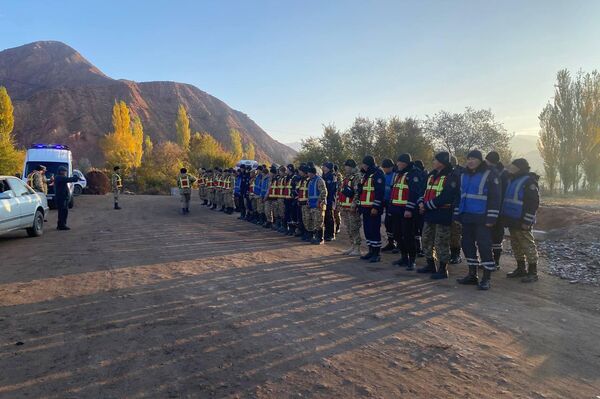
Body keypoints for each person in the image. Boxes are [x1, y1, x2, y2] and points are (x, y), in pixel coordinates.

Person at [455, 150, 501, 290]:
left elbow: (495, 198)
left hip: (483, 218)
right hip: (467, 216)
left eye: (473, 158)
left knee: (484, 246)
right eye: (468, 158)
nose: (470, 161)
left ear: (480, 160)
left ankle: (486, 278)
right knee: (467, 244)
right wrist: (457, 215)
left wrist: (491, 218)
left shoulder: (490, 174)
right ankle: (472, 275)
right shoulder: (464, 175)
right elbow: (459, 196)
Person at [417, 152, 459, 279]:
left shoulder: (451, 176)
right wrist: (420, 203)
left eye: (435, 160)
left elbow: (447, 196)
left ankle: (442, 269)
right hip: (429, 214)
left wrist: (427, 205)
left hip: (443, 214)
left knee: (441, 242)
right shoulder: (431, 174)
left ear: (442, 162)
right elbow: (422, 190)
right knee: (426, 239)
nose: (433, 162)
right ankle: (430, 264)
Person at [500, 158, 541, 283]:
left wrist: (527, 221)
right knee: (516, 245)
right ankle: (521, 268)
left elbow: (533, 203)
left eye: (513, 166)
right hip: (512, 220)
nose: (510, 168)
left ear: (520, 168)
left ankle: (533, 272)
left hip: (522, 221)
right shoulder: (513, 179)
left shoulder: (529, 182)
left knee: (528, 245)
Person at [389, 153, 424, 270]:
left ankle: (412, 260)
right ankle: (403, 257)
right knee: (397, 234)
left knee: (408, 235)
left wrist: (409, 209)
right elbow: (394, 190)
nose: (397, 164)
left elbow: (414, 193)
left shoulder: (414, 174)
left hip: (407, 211)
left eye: (399, 162)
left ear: (405, 163)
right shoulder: (398, 174)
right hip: (396, 209)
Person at [358, 155, 385, 262]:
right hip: (365, 207)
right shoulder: (366, 175)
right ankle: (370, 251)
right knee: (367, 230)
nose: (363, 166)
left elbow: (379, 192)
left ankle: (376, 253)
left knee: (374, 230)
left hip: (373, 208)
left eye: (364, 164)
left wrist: (375, 206)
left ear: (368, 164)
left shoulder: (378, 173)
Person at [485, 151, 510, 269]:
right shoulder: (504, 173)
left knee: (494, 236)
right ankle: (494, 261)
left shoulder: (495, 173)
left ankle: (494, 261)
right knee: (495, 237)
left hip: (495, 209)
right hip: (499, 210)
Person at [338, 159, 362, 256]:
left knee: (354, 228)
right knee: (349, 228)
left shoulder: (357, 176)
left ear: (351, 166)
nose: (345, 168)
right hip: (345, 206)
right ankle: (352, 246)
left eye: (346, 166)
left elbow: (357, 193)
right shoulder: (347, 177)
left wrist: (354, 205)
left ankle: (357, 248)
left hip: (352, 208)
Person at [54, 166, 82, 230]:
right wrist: (76, 178)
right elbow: (68, 179)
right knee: (63, 212)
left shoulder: (59, 177)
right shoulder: (59, 177)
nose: (65, 173)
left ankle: (60, 225)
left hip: (62, 197)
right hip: (61, 198)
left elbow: (67, 179)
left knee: (63, 212)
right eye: (64, 171)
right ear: (61, 171)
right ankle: (62, 225)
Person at [306, 164, 327, 244]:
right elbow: (310, 193)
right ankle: (315, 237)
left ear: (312, 173)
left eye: (309, 173)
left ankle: (320, 238)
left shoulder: (319, 180)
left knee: (319, 222)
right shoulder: (311, 181)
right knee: (314, 222)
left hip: (318, 205)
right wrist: (308, 201)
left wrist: (319, 201)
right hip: (312, 205)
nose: (308, 174)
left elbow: (324, 192)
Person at [449, 155, 463, 264]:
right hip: (447, 206)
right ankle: (452, 253)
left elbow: (459, 193)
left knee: (455, 233)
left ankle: (456, 254)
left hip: (456, 207)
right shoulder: (449, 173)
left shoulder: (458, 174)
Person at [413, 159, 428, 257]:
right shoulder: (426, 176)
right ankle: (419, 248)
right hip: (419, 205)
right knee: (418, 229)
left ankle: (421, 249)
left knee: (421, 230)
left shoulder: (424, 176)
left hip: (421, 206)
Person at [380, 159, 397, 252]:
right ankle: (391, 242)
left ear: (391, 167)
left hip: (393, 203)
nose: (385, 169)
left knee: (394, 224)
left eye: (386, 168)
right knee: (387, 223)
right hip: (385, 202)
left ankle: (397, 243)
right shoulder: (384, 175)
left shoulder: (395, 175)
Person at [322, 162, 338, 241]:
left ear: (328, 168)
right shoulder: (323, 176)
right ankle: (326, 233)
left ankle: (331, 234)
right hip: (324, 199)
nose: (323, 167)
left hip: (330, 199)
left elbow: (332, 190)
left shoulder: (333, 176)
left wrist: (329, 200)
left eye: (324, 166)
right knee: (325, 218)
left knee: (330, 217)